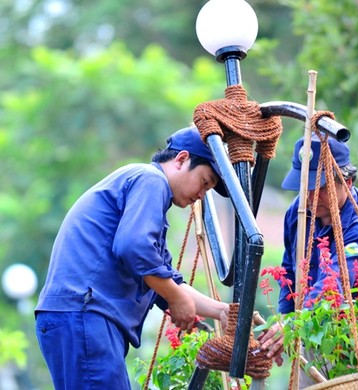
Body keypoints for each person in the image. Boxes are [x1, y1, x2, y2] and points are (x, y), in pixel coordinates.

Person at [35, 126, 230, 389]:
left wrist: (223, 311)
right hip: (86, 314)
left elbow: (165, 280)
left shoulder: (147, 198)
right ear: (182, 159)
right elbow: (133, 248)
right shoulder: (151, 180)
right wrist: (175, 296)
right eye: (204, 183)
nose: (201, 195)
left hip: (80, 316)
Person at [258, 133, 358, 387]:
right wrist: (282, 324)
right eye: (305, 187)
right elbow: (290, 272)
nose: (311, 197)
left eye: (320, 188)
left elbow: (337, 284)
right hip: (313, 335)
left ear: (348, 182)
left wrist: (292, 325)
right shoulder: (298, 213)